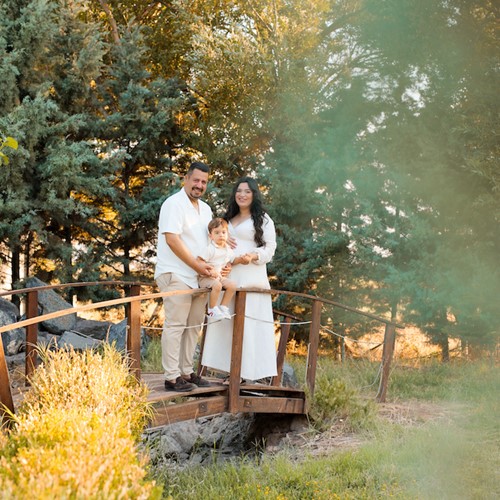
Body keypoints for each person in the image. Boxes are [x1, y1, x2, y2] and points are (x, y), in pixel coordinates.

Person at [201, 177, 278, 382]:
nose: (242, 195)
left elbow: (270, 248)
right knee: (227, 321)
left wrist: (252, 256)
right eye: (239, 191)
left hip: (251, 275)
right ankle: (228, 370)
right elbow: (214, 239)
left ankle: (244, 373)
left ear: (254, 194)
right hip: (229, 275)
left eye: (247, 191)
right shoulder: (228, 218)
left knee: (248, 324)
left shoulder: (263, 219)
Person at [154, 161, 215, 392]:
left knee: (193, 326)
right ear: (186, 179)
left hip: (197, 277)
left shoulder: (206, 209)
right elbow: (172, 240)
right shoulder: (173, 203)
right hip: (175, 273)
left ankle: (186, 372)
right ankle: (171, 377)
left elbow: (208, 243)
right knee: (176, 325)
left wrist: (216, 264)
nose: (199, 185)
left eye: (204, 182)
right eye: (196, 180)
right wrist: (197, 266)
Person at [197, 217, 252, 322]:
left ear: (227, 234)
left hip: (219, 277)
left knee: (232, 285)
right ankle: (212, 310)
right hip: (205, 278)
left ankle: (223, 306)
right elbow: (199, 261)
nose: (221, 235)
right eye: (217, 233)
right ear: (211, 236)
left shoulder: (227, 249)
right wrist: (210, 271)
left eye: (223, 232)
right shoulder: (210, 249)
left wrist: (241, 259)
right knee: (217, 285)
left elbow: (233, 260)